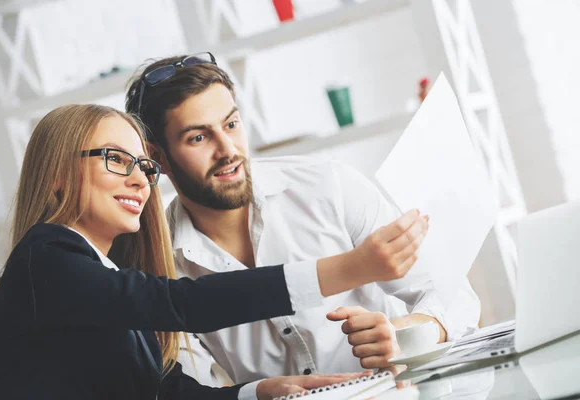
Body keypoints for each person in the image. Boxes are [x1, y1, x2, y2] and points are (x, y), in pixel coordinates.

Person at [0, 104, 429, 400]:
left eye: (145, 166)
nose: (140, 180)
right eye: (116, 159)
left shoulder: (96, 272)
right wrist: (350, 268)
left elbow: (165, 392)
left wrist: (260, 391)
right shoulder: (46, 256)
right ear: (58, 173)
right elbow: (184, 303)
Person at [124, 52, 481, 392]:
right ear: (157, 159)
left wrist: (404, 334)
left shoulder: (327, 186)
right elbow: (195, 388)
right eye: (198, 137)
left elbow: (454, 294)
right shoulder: (159, 267)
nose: (228, 149)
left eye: (231, 124)